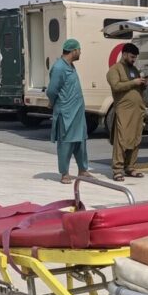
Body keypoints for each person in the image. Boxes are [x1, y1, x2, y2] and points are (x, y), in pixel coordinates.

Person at [47, 39, 91, 185]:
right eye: (79, 50)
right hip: (66, 113)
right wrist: (52, 102)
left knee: (80, 142)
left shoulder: (70, 66)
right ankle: (64, 173)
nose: (80, 53)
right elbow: (52, 90)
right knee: (66, 143)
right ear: (73, 51)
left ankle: (83, 170)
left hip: (77, 112)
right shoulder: (59, 67)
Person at [106, 43, 147, 181]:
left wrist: (143, 84)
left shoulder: (134, 70)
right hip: (124, 110)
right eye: (132, 57)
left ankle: (130, 167)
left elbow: (137, 87)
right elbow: (116, 86)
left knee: (136, 138)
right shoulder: (114, 70)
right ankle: (117, 170)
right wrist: (134, 82)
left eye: (135, 57)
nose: (134, 60)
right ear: (124, 54)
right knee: (122, 139)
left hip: (137, 110)